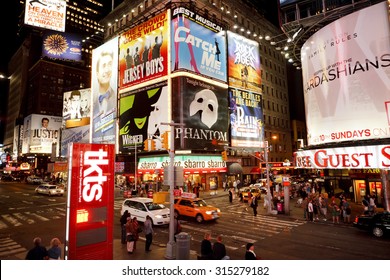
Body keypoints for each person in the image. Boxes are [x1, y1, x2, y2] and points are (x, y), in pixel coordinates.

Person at [93, 50, 116, 118]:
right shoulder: (92, 102)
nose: (107, 70)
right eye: (103, 66)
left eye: (109, 65)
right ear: (97, 74)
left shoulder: (117, 98)